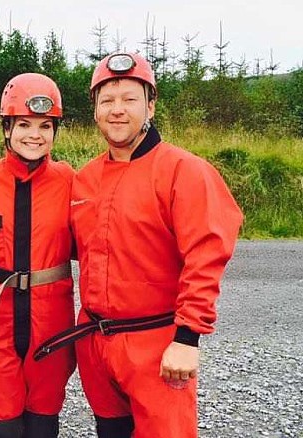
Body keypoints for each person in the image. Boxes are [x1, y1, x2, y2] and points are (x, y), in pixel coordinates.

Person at [33, 52, 243, 438]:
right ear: (94, 110)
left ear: (150, 105)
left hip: (157, 345)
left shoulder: (185, 171)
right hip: (96, 341)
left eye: (129, 99)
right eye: (106, 100)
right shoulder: (86, 178)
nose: (117, 110)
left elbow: (206, 257)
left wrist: (187, 338)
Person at [0, 73, 76, 438]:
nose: (34, 134)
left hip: (52, 320)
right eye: (24, 124)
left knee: (44, 423)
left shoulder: (71, 181)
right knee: (2, 426)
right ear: (7, 128)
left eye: (45, 125)